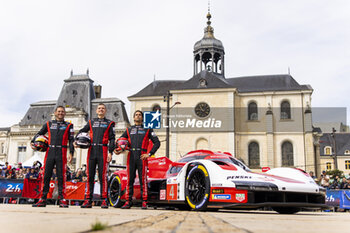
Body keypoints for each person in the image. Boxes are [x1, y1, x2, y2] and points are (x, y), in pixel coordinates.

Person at [115, 110, 160, 209]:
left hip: (142, 156)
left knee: (143, 179)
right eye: (136, 115)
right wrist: (118, 149)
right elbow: (119, 141)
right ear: (134, 117)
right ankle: (128, 201)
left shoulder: (148, 129)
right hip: (131, 155)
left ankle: (144, 202)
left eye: (140, 115)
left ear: (142, 118)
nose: (138, 116)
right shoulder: (128, 130)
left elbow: (157, 142)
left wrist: (149, 154)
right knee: (129, 180)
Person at [31, 106, 74, 208]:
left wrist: (71, 153)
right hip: (50, 151)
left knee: (61, 176)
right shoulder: (49, 124)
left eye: (62, 112)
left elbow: (71, 140)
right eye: (59, 111)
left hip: (62, 151)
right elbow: (39, 133)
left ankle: (62, 199)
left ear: (65, 114)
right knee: (46, 175)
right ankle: (42, 199)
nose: (60, 113)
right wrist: (33, 141)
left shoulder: (69, 125)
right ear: (55, 113)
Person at [76, 103, 115, 209]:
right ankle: (88, 200)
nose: (101, 110)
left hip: (103, 150)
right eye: (99, 108)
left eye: (103, 108)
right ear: (96, 111)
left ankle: (104, 200)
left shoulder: (109, 123)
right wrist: (77, 140)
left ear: (105, 111)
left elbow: (112, 139)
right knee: (90, 176)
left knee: (103, 176)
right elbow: (81, 131)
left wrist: (110, 152)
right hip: (91, 150)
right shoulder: (91, 122)